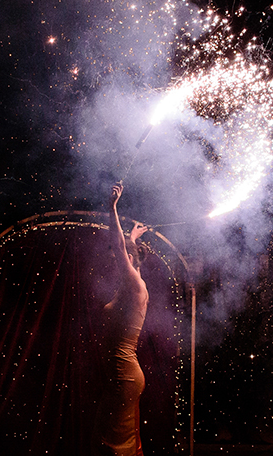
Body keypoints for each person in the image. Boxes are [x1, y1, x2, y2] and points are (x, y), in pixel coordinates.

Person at [95, 182, 150, 456]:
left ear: (129, 259)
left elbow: (119, 247)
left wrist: (112, 207)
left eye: (119, 259)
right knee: (121, 440)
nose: (114, 261)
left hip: (124, 375)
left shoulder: (135, 286)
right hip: (121, 375)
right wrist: (133, 236)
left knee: (115, 446)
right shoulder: (132, 285)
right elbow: (126, 249)